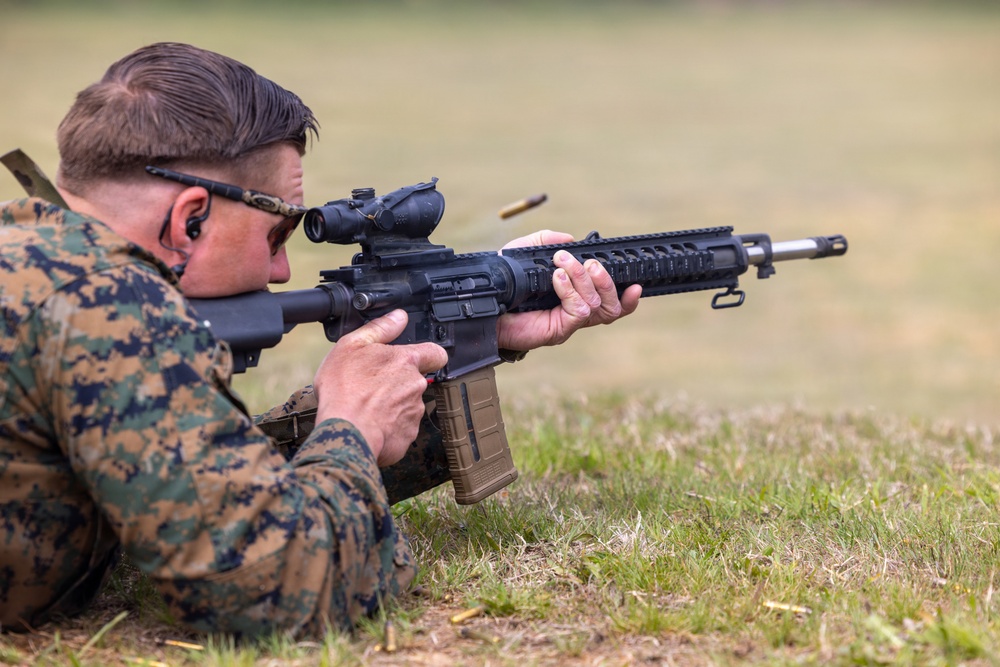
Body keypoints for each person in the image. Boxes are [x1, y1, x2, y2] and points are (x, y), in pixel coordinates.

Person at [0, 42, 641, 636]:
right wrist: (350, 429)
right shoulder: (107, 307)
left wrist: (476, 329)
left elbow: (188, 486)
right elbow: (271, 588)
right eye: (275, 236)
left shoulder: (44, 266)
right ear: (189, 217)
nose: (281, 272)